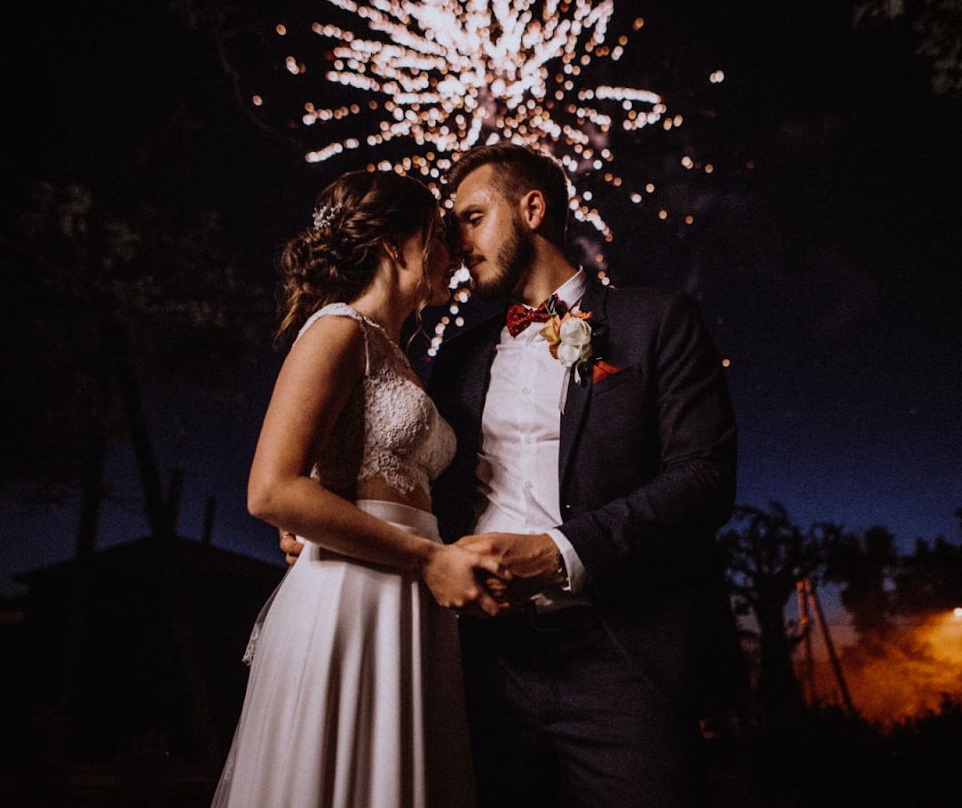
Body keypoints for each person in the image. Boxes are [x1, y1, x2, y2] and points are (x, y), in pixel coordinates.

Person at [285, 142, 744, 806]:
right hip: (478, 661)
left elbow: (704, 478)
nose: (453, 239)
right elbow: (410, 472)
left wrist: (558, 553)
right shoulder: (461, 357)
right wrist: (324, 513)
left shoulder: (658, 321)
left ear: (533, 207)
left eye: (471, 218)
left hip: (620, 656)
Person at [211, 169, 507, 808]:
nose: (453, 253)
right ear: (396, 246)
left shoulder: (400, 356)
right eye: (437, 236)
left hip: (414, 596)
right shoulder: (337, 329)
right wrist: (428, 556)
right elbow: (270, 490)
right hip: (355, 593)